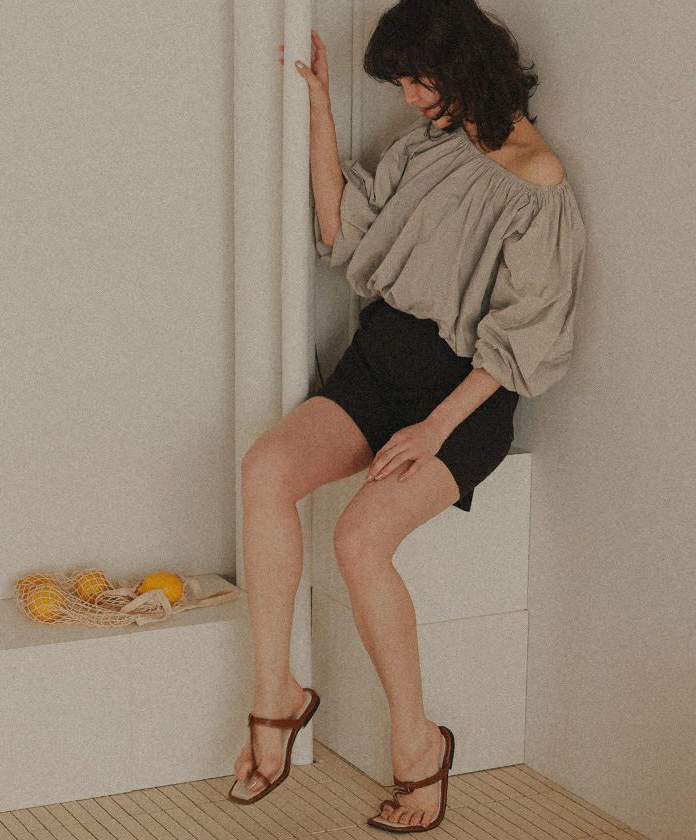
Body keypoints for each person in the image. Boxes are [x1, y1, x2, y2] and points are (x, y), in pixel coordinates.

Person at [229, 0, 587, 832]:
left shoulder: (538, 180)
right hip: (378, 367)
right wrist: (319, 108)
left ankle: (419, 742)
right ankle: (276, 695)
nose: (413, 100)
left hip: (462, 399)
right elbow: (341, 232)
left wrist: (433, 430)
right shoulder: (428, 146)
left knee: (359, 540)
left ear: (465, 64)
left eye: (420, 82)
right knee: (264, 471)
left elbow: (524, 338)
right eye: (404, 86)